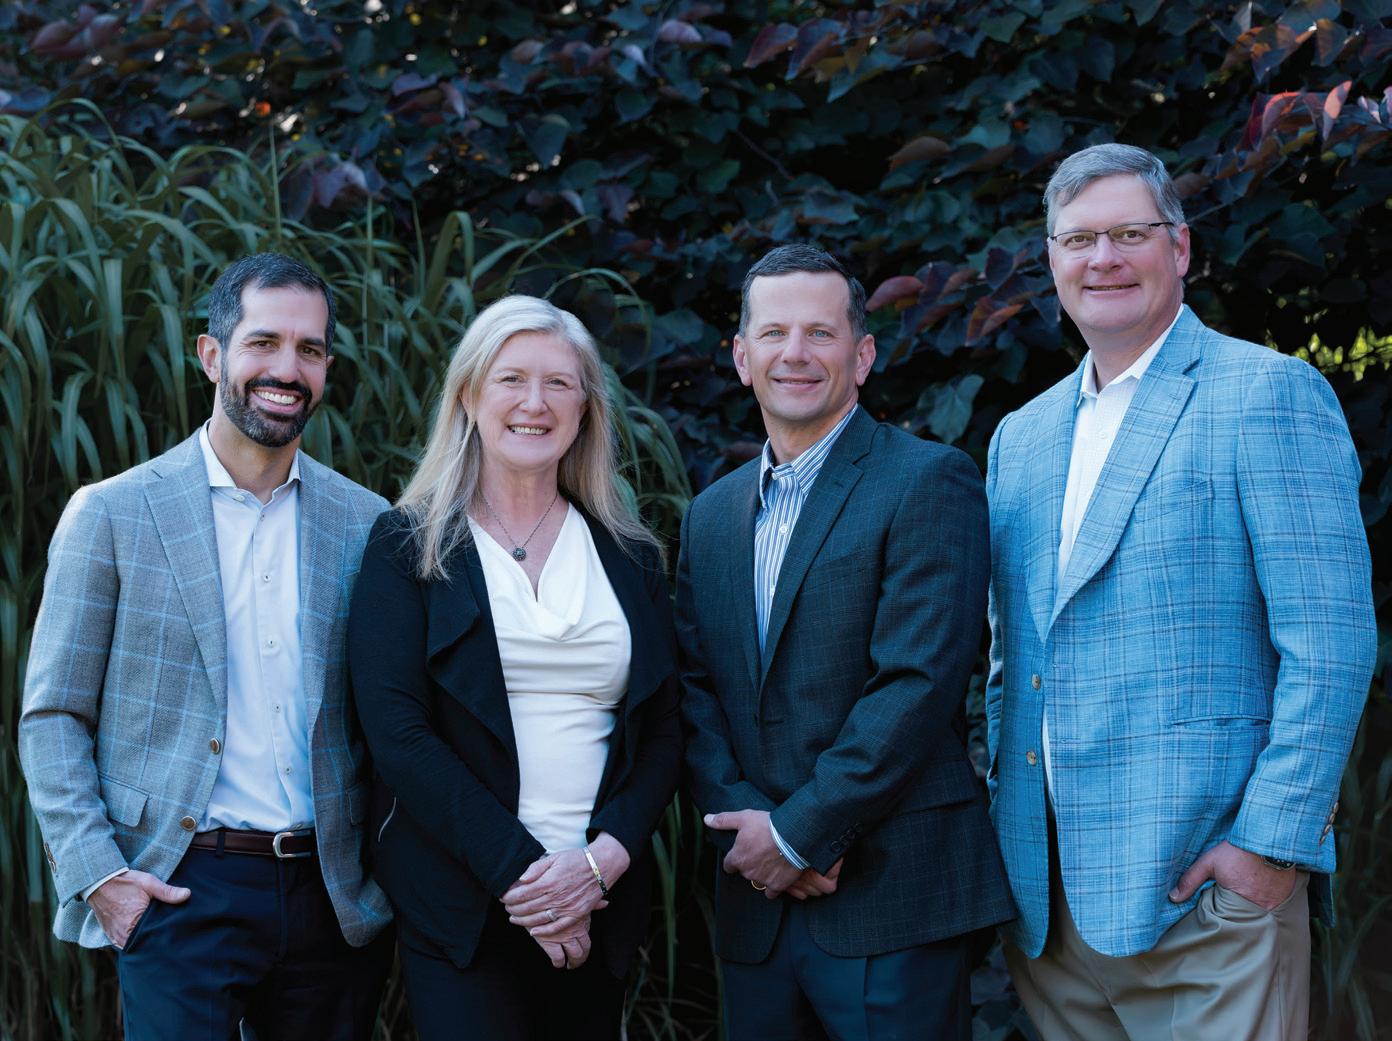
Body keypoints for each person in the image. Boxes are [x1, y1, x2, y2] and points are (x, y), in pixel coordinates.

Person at [986, 143, 1376, 1040]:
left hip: (1209, 901)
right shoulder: (1021, 438)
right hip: (1050, 913)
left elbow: (1330, 644)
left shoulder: (1267, 394)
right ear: (1051, 258)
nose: (1103, 259)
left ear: (1182, 247)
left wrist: (1268, 846)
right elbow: (1013, 662)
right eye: (1079, 239)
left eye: (1131, 233)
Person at [19, 252, 394, 1040]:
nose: (287, 369)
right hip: (177, 888)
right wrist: (102, 877)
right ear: (212, 354)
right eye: (263, 343)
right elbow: (53, 715)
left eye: (310, 349)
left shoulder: (367, 524)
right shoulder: (112, 514)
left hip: (330, 896)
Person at [677, 244, 1014, 1040]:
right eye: (774, 333)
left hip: (891, 897)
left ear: (862, 356)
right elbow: (692, 687)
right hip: (755, 901)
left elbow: (918, 682)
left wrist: (800, 833)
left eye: (820, 333)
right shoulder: (711, 513)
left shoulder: (928, 479)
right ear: (741, 357)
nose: (795, 353)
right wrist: (755, 833)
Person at [347, 294, 681, 1041]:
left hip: (597, 898)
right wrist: (527, 877)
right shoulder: (407, 546)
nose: (535, 403)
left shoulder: (629, 555)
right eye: (511, 379)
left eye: (559, 383)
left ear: (586, 408)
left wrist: (599, 864)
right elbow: (398, 733)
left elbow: (663, 729)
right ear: (469, 396)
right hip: (467, 903)